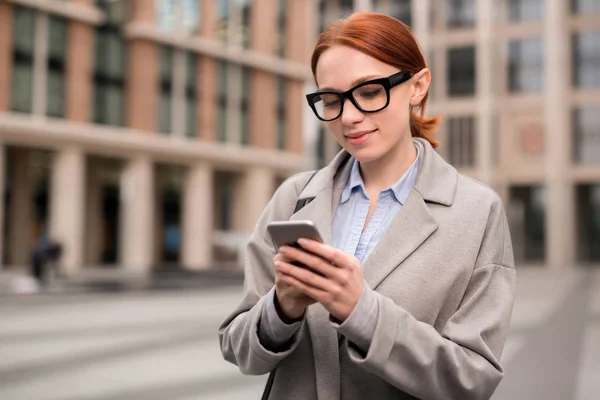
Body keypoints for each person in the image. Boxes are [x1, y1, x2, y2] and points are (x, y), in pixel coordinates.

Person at [219, 12, 515, 400]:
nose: (350, 117)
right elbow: (238, 348)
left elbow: (471, 380)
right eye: (331, 99)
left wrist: (363, 313)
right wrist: (282, 307)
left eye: (370, 91)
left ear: (418, 86)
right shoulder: (292, 198)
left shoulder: (477, 211)